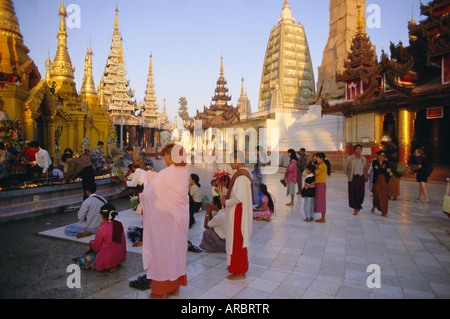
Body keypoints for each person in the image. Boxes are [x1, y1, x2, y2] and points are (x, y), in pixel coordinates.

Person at [141, 143, 190, 299]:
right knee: (177, 253)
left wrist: (146, 181)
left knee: (162, 254)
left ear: (171, 156)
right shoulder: (184, 173)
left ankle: (161, 291)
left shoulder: (167, 173)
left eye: (166, 155)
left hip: (166, 223)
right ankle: (175, 288)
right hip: (180, 221)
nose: (165, 158)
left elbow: (149, 193)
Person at [220, 150, 253, 281]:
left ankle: (239, 271)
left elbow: (238, 198)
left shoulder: (241, 177)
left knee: (237, 241)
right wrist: (223, 191)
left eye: (231, 160)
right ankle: (236, 267)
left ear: (238, 160)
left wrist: (225, 201)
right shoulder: (243, 174)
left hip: (238, 213)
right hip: (237, 211)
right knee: (236, 241)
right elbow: (237, 193)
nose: (230, 163)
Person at [74, 203, 126, 272]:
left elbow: (96, 248)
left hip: (106, 259)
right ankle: (114, 264)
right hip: (118, 258)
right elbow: (123, 242)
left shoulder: (102, 229)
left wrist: (92, 244)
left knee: (81, 260)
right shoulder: (119, 224)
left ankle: (108, 265)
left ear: (101, 216)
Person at [343, 144, 369, 216]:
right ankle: (355, 208)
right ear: (354, 150)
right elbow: (345, 168)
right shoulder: (350, 159)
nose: (359, 150)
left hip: (361, 178)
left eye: (360, 149)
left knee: (361, 194)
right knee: (354, 193)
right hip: (353, 178)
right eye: (357, 149)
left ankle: (358, 204)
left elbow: (364, 169)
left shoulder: (364, 159)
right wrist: (349, 175)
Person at [371, 150, 391, 217]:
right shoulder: (375, 162)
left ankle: (384, 212)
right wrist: (385, 170)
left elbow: (388, 171)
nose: (382, 157)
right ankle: (374, 206)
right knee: (376, 196)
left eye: (383, 156)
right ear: (378, 156)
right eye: (381, 155)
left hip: (384, 182)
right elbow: (376, 171)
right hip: (377, 181)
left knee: (384, 197)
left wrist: (381, 170)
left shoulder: (386, 163)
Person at [314, 152, 331, 223]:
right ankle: (322, 217)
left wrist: (315, 169)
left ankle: (323, 218)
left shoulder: (322, 165)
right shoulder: (321, 165)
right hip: (319, 184)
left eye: (317, 158)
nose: (316, 159)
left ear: (321, 158)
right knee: (320, 201)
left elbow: (316, 173)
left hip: (320, 185)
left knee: (321, 201)